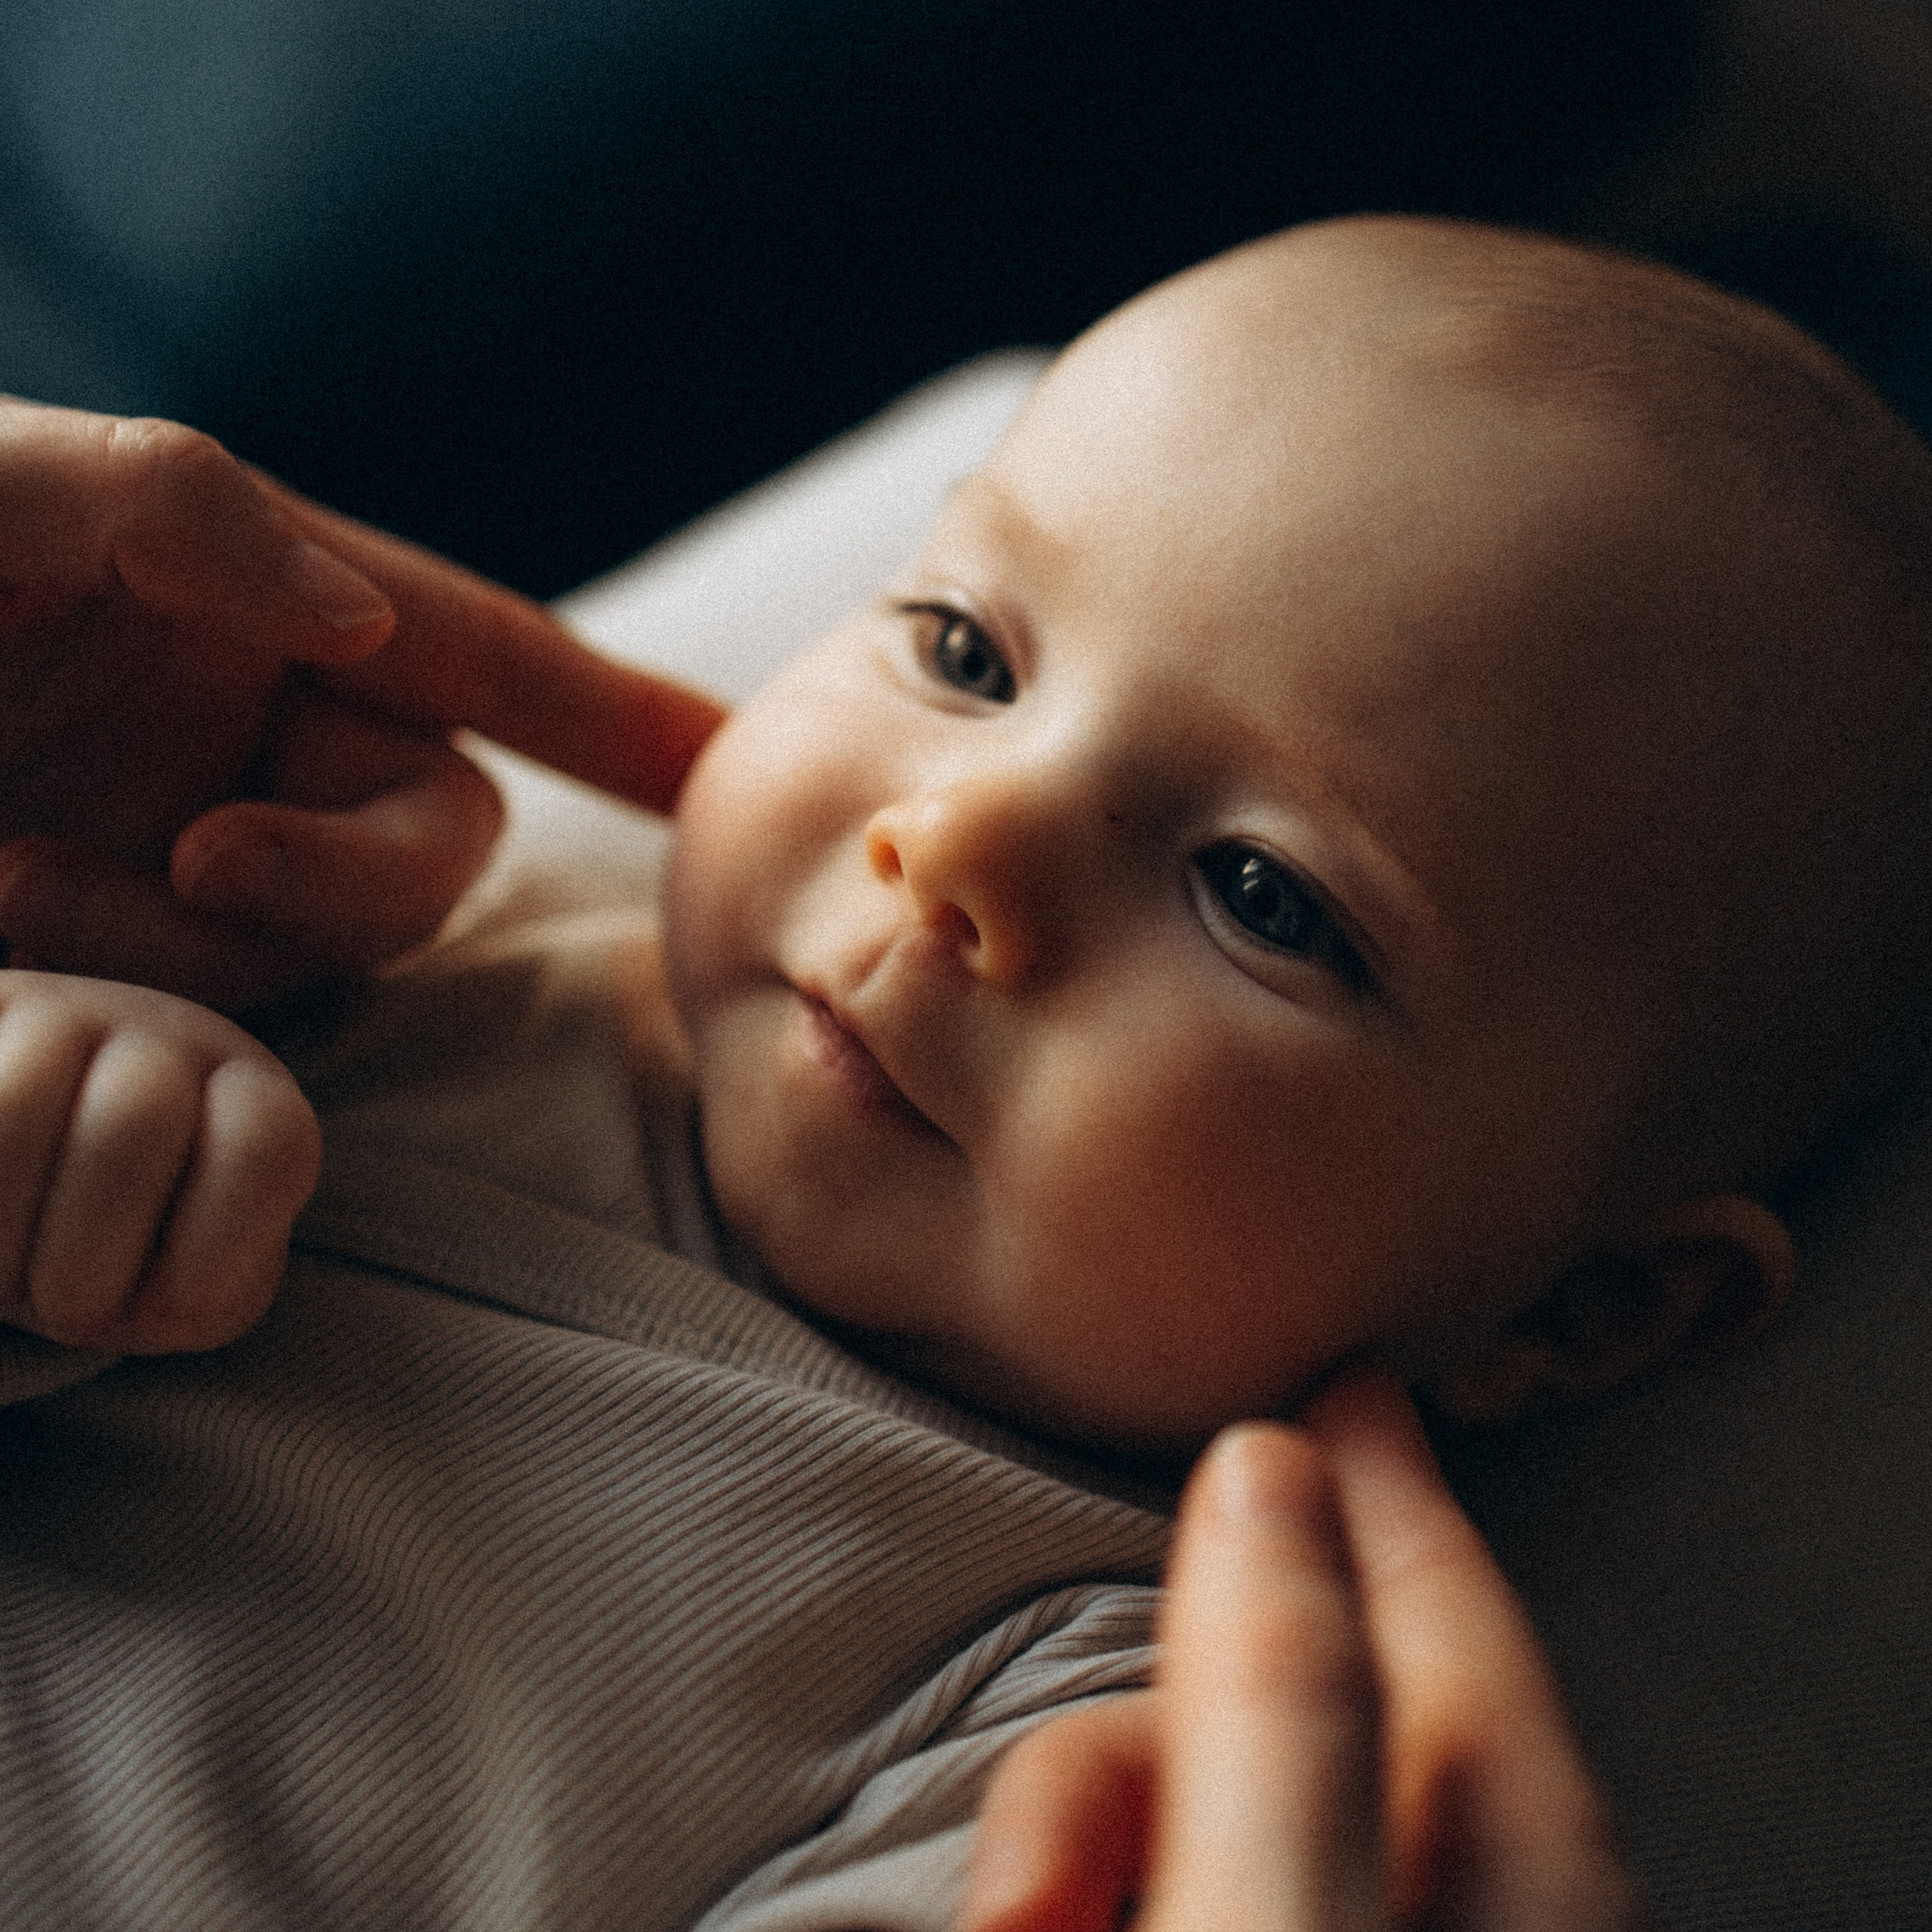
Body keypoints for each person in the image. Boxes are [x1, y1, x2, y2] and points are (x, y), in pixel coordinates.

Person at [2, 214, 1928, 1927]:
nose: (958, 844)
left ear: (1584, 1308)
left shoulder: (1089, 1713)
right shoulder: (362, 967)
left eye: (1260, 893)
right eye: (963, 647)